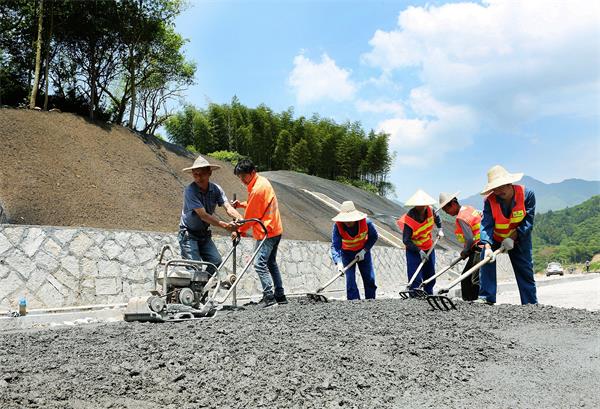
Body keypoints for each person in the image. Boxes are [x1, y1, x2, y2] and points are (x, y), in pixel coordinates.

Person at [477, 165, 537, 305]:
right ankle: (486, 298)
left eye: (500, 187)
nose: (497, 191)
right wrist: (487, 247)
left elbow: (528, 221)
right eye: (494, 188)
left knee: (525, 269)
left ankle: (530, 304)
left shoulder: (527, 195)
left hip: (519, 238)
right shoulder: (490, 200)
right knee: (486, 260)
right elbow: (486, 224)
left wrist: (512, 237)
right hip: (496, 237)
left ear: (509, 183)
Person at [231, 159, 287, 308]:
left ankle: (269, 298)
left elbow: (251, 218)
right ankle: (280, 295)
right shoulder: (261, 182)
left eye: (244, 176)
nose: (242, 180)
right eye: (240, 177)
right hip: (275, 229)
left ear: (252, 173)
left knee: (259, 264)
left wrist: (238, 231)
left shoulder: (257, 189)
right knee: (271, 263)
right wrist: (241, 204)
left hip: (266, 232)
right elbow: (257, 205)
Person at [179, 155, 242, 274]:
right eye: (195, 174)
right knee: (195, 270)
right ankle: (196, 289)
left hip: (203, 234)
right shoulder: (190, 191)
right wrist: (226, 226)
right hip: (189, 233)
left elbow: (228, 207)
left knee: (216, 261)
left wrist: (240, 219)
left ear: (209, 173)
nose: (198, 178)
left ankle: (203, 289)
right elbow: (203, 216)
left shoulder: (216, 189)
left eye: (201, 174)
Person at [397, 189, 444, 295]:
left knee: (430, 273)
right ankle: (414, 296)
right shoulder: (409, 219)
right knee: (415, 275)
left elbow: (437, 218)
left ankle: (428, 294)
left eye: (423, 205)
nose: (422, 207)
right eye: (419, 205)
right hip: (414, 250)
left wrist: (440, 229)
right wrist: (419, 251)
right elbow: (406, 240)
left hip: (428, 246)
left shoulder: (431, 210)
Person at [330, 201, 379, 300]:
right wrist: (338, 262)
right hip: (347, 254)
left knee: (369, 278)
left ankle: (371, 301)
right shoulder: (338, 226)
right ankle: (353, 304)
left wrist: (364, 250)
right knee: (350, 280)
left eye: (350, 220)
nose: (347, 222)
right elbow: (335, 246)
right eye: (345, 220)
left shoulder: (366, 223)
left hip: (363, 253)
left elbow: (374, 237)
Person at [439, 191, 482, 301]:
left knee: (472, 279)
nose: (446, 213)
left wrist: (465, 251)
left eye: (446, 210)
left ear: (453, 204)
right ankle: (469, 302)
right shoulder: (469, 208)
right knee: (467, 278)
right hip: (479, 247)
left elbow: (469, 239)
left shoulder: (461, 218)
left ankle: (474, 302)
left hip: (479, 248)